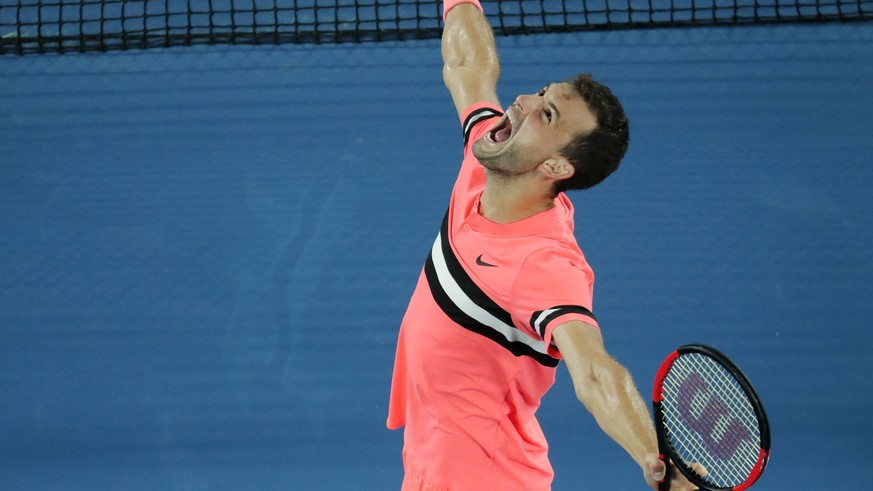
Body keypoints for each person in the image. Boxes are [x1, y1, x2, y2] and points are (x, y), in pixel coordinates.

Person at [387, 1, 700, 489]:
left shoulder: (544, 264)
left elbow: (595, 373)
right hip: (432, 472)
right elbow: (468, 67)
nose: (523, 102)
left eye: (546, 114)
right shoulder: (489, 156)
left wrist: (657, 462)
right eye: (540, 94)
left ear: (556, 168)